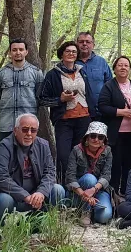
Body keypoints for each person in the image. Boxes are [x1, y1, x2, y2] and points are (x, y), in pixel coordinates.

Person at [0, 114, 66, 228]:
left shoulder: (43, 145)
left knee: (58, 190)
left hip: (34, 194)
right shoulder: (4, 146)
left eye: (33, 130)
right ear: (15, 130)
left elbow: (50, 172)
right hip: (8, 196)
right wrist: (25, 196)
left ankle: (32, 225)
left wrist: (41, 192)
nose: (29, 134)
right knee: (4, 200)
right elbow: (0, 177)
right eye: (25, 129)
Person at [41, 41, 93, 181]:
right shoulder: (53, 74)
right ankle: (63, 186)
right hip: (64, 120)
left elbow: (89, 94)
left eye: (74, 52)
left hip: (84, 119)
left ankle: (80, 186)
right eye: (68, 51)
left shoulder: (83, 71)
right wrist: (60, 99)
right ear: (61, 54)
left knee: (81, 155)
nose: (71, 54)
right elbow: (42, 99)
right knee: (64, 155)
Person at [97, 55, 131, 193]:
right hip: (115, 132)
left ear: (129, 68)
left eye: (126, 65)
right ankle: (113, 192)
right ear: (114, 68)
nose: (123, 67)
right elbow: (102, 106)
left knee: (129, 162)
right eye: (120, 65)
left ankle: (126, 191)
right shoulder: (109, 86)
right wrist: (120, 112)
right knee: (115, 163)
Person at [0, 38, 45, 142]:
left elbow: (40, 98)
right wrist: (6, 108)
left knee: (27, 156)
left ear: (26, 52)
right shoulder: (1, 73)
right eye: (14, 50)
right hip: (6, 123)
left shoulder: (36, 73)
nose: (18, 52)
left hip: (28, 126)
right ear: (10, 52)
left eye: (21, 49)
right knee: (6, 154)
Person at [65, 121, 114, 225]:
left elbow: (106, 175)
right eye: (93, 136)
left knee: (104, 217)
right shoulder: (76, 150)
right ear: (87, 137)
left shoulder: (108, 151)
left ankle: (89, 211)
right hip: (79, 190)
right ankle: (85, 211)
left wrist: (93, 189)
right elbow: (70, 176)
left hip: (99, 190)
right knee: (89, 178)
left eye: (100, 137)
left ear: (104, 140)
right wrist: (84, 194)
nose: (96, 139)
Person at [75, 32, 112, 119]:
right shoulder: (70, 62)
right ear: (76, 44)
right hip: (77, 113)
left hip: (100, 111)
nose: (84, 44)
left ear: (93, 45)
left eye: (88, 42)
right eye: (81, 42)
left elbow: (110, 85)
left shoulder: (101, 62)